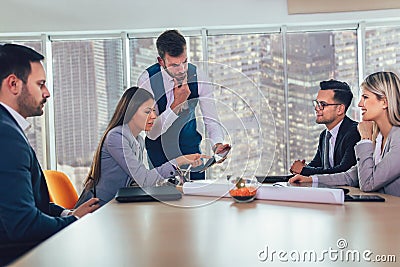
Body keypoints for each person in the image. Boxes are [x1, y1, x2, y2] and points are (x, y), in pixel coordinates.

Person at [0, 43, 100, 265]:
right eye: (40, 84)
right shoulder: (5, 135)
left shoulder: (8, 128)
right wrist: (74, 220)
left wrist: (68, 214)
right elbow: (23, 225)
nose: (47, 93)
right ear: (13, 84)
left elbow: (34, 204)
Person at [75, 87, 205, 207]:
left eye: (154, 111)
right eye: (148, 111)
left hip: (118, 205)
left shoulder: (138, 140)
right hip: (98, 207)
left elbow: (140, 180)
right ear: (130, 111)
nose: (154, 116)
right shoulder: (117, 137)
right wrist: (179, 160)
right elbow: (144, 179)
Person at [289, 71, 400, 197]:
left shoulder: (396, 138)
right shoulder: (377, 137)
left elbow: (368, 184)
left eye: (365, 97)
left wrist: (365, 139)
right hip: (381, 211)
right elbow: (351, 176)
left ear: (384, 102)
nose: (359, 104)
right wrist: (312, 179)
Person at [138, 29, 230, 180]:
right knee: (163, 202)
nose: (182, 70)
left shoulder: (198, 76)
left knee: (196, 200)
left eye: (184, 62)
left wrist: (217, 144)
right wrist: (176, 104)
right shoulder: (146, 81)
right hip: (159, 154)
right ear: (161, 61)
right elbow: (152, 133)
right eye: (174, 65)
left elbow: (211, 120)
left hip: (191, 151)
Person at [290, 79, 360, 176]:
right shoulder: (325, 135)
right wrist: (302, 170)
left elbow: (343, 171)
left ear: (340, 109)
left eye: (323, 104)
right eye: (317, 103)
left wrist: (305, 170)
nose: (316, 108)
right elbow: (316, 165)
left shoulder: (354, 132)